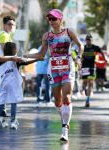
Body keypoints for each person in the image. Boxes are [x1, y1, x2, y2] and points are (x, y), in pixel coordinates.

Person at [23, 9, 84, 141]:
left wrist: (78, 58)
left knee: (66, 97)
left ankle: (65, 127)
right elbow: (41, 55)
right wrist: (26, 56)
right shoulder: (47, 36)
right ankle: (64, 118)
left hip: (68, 67)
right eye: (49, 19)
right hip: (54, 69)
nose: (51, 21)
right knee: (57, 101)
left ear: (60, 19)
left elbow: (80, 45)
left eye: (54, 19)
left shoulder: (69, 32)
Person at [0, 42, 39, 130]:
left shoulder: (1, 59)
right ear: (13, 50)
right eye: (15, 48)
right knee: (13, 102)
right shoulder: (15, 60)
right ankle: (13, 121)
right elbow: (26, 62)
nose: (16, 50)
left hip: (4, 84)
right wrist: (37, 59)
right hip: (13, 84)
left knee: (1, 102)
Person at [0, 15, 15, 117]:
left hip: (1, 64)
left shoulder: (5, 35)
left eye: (13, 24)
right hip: (2, 65)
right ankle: (0, 112)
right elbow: (7, 51)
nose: (11, 26)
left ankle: (2, 110)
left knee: (3, 88)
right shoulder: (4, 35)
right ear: (4, 25)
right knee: (4, 88)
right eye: (9, 24)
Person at [81, 34, 106, 107]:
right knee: (85, 82)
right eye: (87, 40)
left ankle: (87, 100)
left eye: (90, 40)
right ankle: (84, 89)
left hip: (92, 67)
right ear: (85, 41)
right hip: (84, 67)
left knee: (90, 82)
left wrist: (105, 59)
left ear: (92, 41)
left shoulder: (95, 47)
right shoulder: (83, 47)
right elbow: (79, 54)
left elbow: (102, 52)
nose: (89, 41)